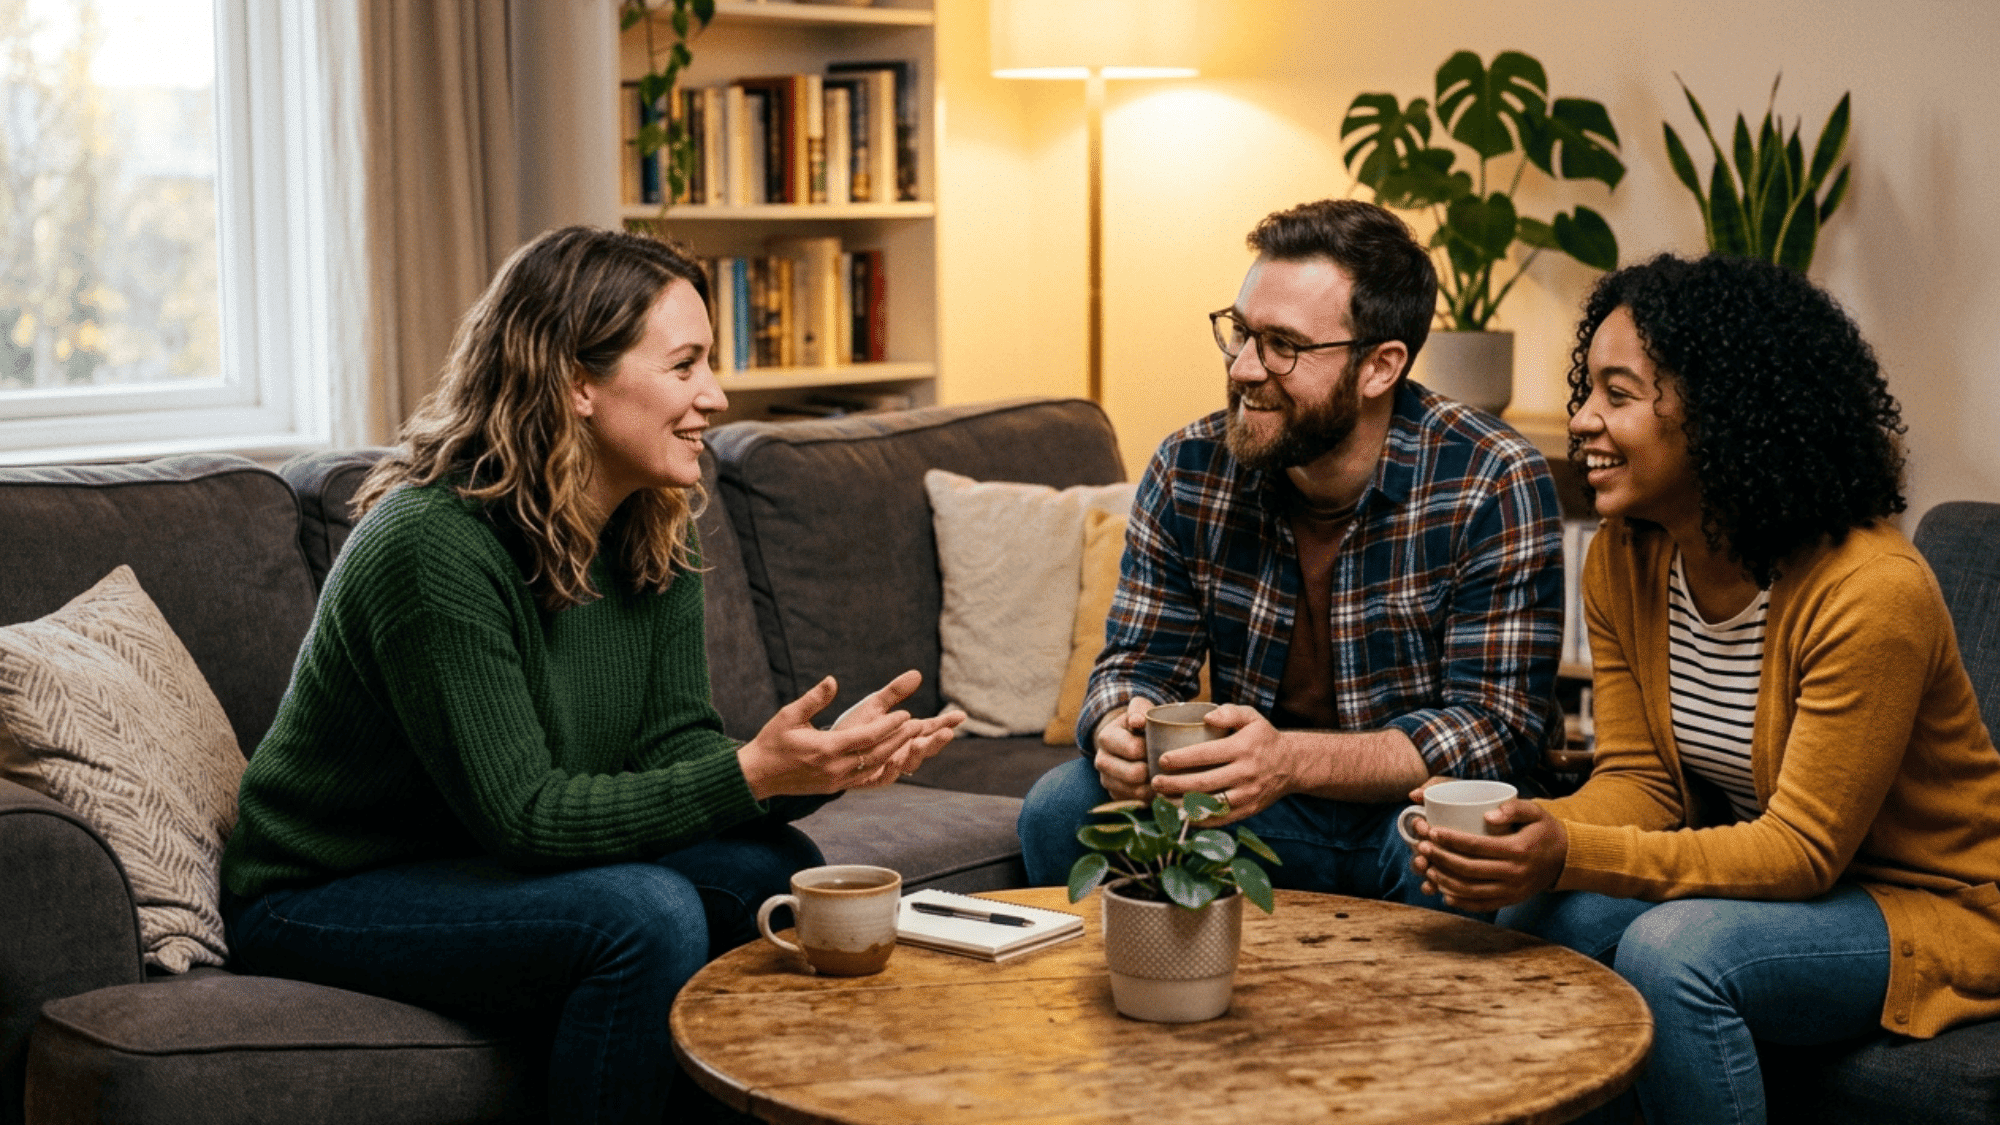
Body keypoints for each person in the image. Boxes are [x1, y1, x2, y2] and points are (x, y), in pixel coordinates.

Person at [219, 226, 962, 1125]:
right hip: (324, 888)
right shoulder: (429, 545)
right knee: (639, 913)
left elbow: (673, 748)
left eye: (709, 365)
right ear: (576, 381)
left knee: (767, 868)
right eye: (683, 365)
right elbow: (525, 814)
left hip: (473, 855)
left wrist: (815, 767)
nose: (715, 396)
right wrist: (752, 770)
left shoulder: (655, 520)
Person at [1406, 253, 2000, 1125]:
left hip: (1933, 905)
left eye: (1618, 393)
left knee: (1675, 953)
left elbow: (1801, 850)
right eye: (1587, 391)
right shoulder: (1627, 559)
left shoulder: (1871, 589)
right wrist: (1515, 832)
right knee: (1541, 913)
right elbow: (1644, 784)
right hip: (1797, 889)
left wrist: (1568, 849)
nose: (1582, 420)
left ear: (1722, 412)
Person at [1016, 198, 1566, 908]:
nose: (1245, 367)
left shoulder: (1491, 477)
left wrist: (1289, 759)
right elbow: (1135, 663)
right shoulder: (1190, 468)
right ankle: (1120, 1015)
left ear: (1380, 366)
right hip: (1254, 812)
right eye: (1241, 333)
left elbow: (1496, 728)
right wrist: (1117, 725)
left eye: (1284, 345)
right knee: (1064, 805)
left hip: (1406, 812)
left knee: (1455, 838)